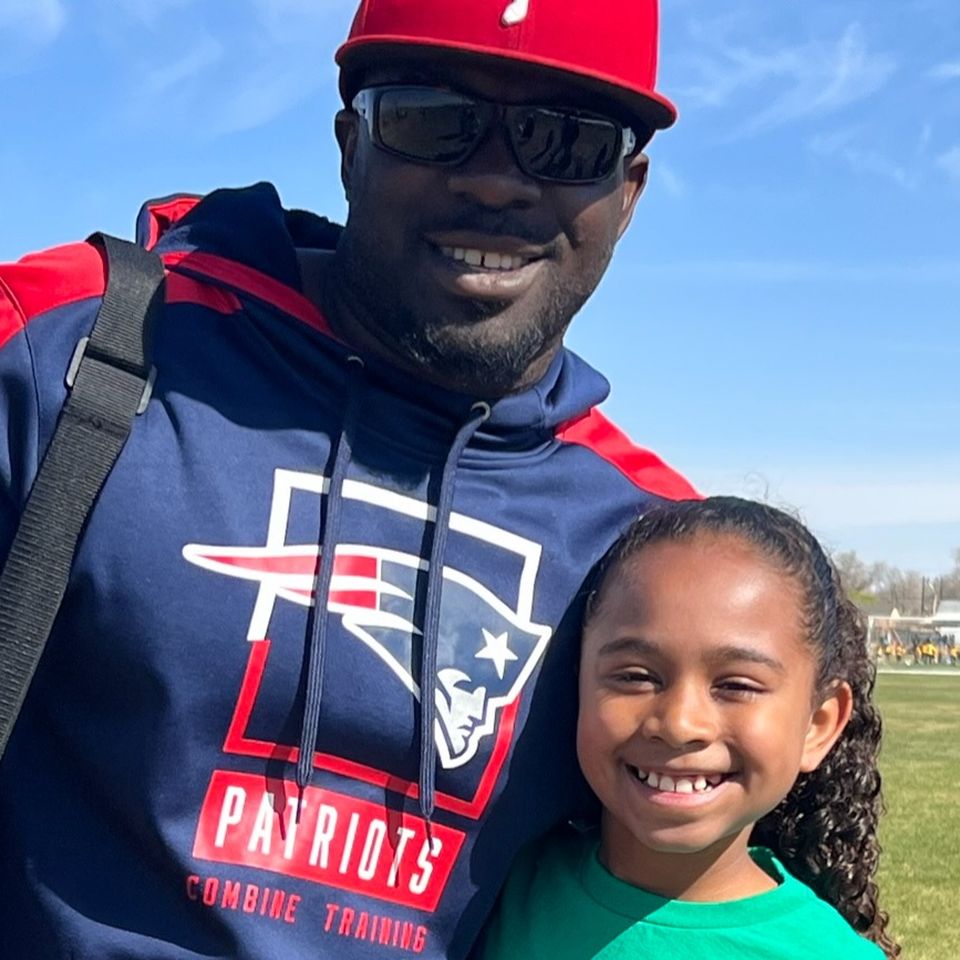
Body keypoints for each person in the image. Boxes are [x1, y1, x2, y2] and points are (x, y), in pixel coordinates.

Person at [0, 1, 699, 958]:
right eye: (433, 119)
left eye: (565, 139)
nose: (496, 178)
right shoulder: (67, 348)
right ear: (349, 145)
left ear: (629, 190)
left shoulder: (652, 541)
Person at [480, 496, 900, 959]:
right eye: (636, 676)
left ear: (818, 725)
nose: (679, 724)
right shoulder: (491, 888)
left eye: (736, 685)